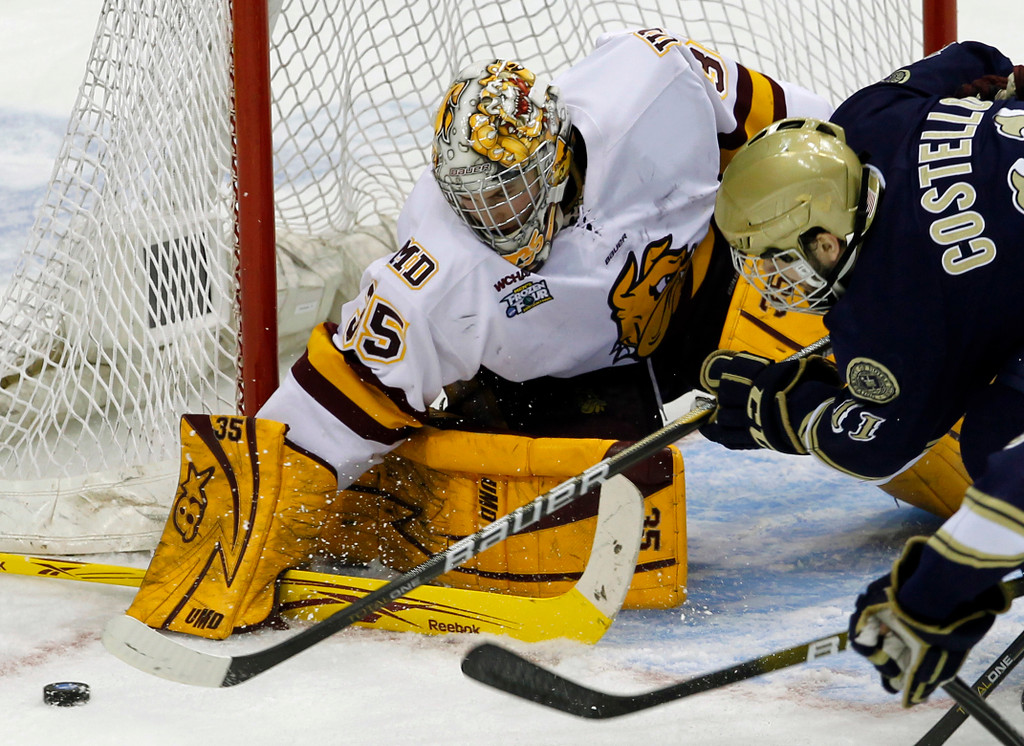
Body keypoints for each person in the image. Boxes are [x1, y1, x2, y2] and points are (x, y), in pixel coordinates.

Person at [119, 28, 964, 640]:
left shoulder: (650, 85)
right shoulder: (434, 273)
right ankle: (387, 501)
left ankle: (984, 482)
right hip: (555, 388)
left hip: (706, 293)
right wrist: (223, 539)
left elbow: (806, 141)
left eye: (510, 193)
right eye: (473, 201)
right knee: (584, 543)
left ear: (556, 155)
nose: (493, 218)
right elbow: (325, 403)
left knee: (871, 370)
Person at [703, 40, 1024, 706]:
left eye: (780, 262)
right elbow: (978, 58)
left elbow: (881, 441)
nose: (774, 284)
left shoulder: (897, 312)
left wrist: (785, 412)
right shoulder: (869, 119)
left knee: (996, 441)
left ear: (826, 240)